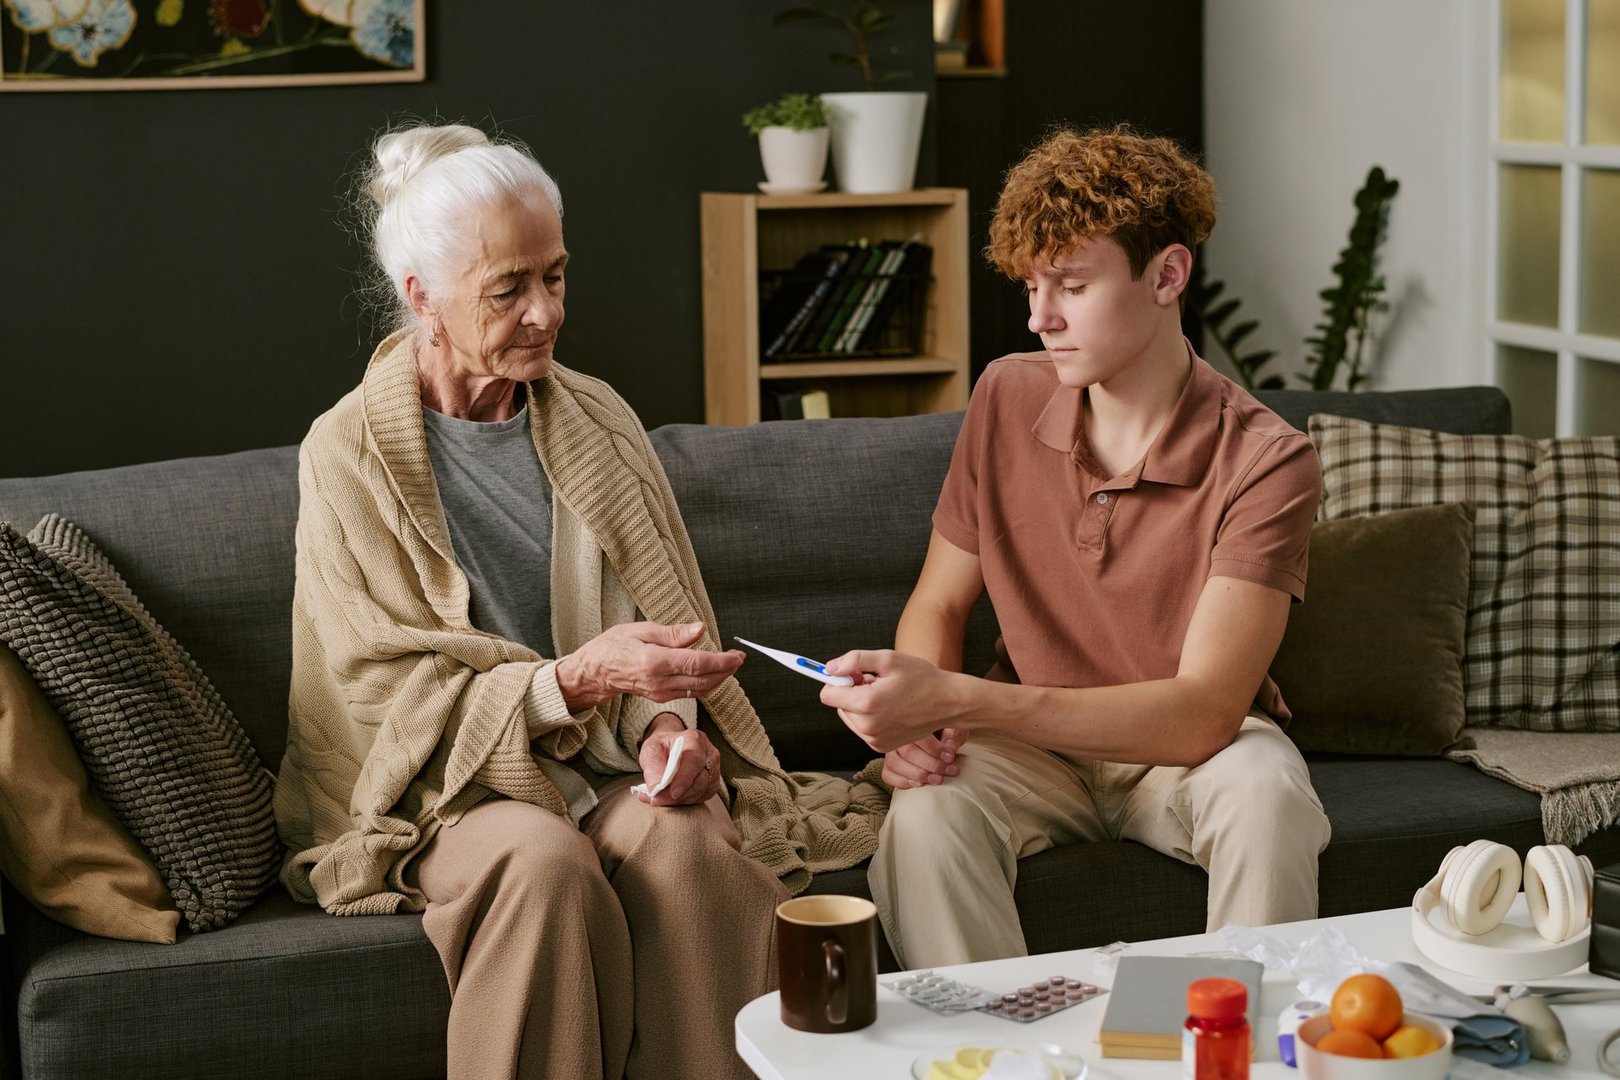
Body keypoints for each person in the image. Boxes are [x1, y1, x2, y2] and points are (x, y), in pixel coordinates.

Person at [272, 122, 887, 1080]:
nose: (544, 314)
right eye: (507, 289)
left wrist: (664, 731)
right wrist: (574, 680)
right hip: (446, 791)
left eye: (554, 276)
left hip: (597, 761)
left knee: (687, 843)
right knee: (543, 865)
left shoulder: (599, 417)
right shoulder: (346, 455)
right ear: (420, 298)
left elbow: (663, 630)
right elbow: (382, 698)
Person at [818, 125, 1332, 969]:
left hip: (1189, 754)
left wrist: (959, 700)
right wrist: (921, 727)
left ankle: (1220, 1058)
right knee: (925, 815)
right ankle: (991, 1059)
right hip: (1029, 757)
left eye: (1072, 285)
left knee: (1267, 794)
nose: (1039, 317)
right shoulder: (1006, 395)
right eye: (1031, 286)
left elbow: (1204, 713)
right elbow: (939, 603)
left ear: (1167, 275)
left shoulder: (1268, 459)